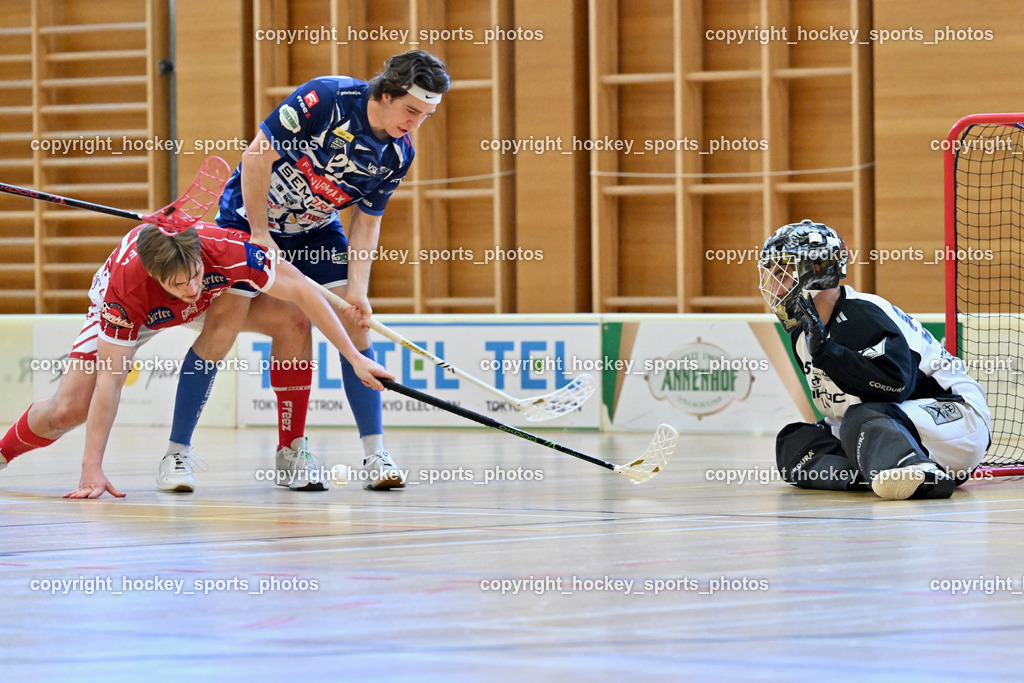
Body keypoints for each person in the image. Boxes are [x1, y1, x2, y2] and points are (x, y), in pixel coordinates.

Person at [163, 49, 450, 491]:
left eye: (425, 116)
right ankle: (176, 455)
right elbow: (257, 156)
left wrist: (358, 289)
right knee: (224, 325)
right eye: (411, 111)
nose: (415, 123)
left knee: (354, 325)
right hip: (246, 219)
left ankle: (368, 455)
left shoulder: (398, 153)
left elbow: (367, 221)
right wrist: (260, 232)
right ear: (386, 94)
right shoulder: (325, 99)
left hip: (315, 232)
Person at [0, 223, 393, 499]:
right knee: (68, 410)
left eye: (195, 274)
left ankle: (290, 453)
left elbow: (303, 291)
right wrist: (91, 467)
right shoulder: (127, 289)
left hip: (207, 303)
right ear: (155, 275)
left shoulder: (226, 250)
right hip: (138, 315)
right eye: (179, 283)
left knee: (293, 319)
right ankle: (3, 453)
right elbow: (111, 380)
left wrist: (354, 357)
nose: (190, 287)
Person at [758, 219, 992, 500]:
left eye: (783, 274)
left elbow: (895, 386)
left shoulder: (864, 314)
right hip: (892, 422)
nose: (776, 288)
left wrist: (828, 354)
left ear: (815, 270)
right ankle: (878, 472)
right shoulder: (802, 336)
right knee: (794, 443)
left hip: (954, 417)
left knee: (860, 418)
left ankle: (917, 470)